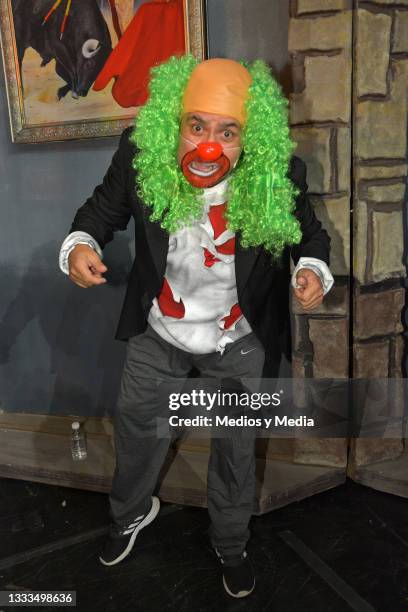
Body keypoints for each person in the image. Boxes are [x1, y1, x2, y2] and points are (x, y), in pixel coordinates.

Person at [59, 55, 333, 599]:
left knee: (234, 444)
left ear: (248, 138)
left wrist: (311, 268)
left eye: (227, 131)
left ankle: (230, 542)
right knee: (137, 429)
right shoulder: (140, 157)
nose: (210, 144)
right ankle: (130, 515)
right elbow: (99, 212)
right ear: (173, 123)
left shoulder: (276, 175)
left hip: (238, 338)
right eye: (196, 126)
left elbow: (311, 236)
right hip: (159, 328)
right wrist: (80, 245)